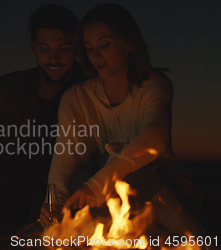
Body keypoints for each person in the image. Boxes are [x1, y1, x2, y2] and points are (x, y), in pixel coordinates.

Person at [39, 3, 202, 236]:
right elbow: (65, 156)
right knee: (80, 196)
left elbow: (154, 139)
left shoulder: (153, 84)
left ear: (127, 43)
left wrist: (97, 186)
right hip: (110, 199)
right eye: (88, 48)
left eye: (104, 45)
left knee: (121, 165)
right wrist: (55, 202)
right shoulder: (75, 98)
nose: (96, 55)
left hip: (165, 188)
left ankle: (194, 239)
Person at [0, 4, 87, 235]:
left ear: (76, 48)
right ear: (32, 47)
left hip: (66, 200)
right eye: (44, 48)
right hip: (3, 202)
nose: (54, 58)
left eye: (64, 49)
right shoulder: (3, 91)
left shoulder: (92, 92)